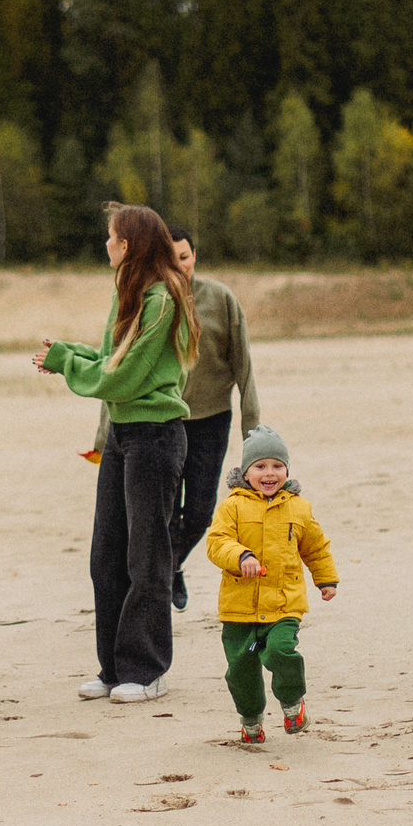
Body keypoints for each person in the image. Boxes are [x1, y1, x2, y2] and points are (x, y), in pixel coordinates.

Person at [36, 204, 198, 704]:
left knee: (146, 557)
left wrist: (69, 367)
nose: (105, 244)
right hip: (122, 435)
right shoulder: (128, 291)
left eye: (110, 237)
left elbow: (124, 377)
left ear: (126, 245)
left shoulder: (164, 298)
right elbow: (112, 358)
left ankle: (146, 671)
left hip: (155, 435)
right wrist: (67, 353)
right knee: (105, 556)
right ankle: (113, 668)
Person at [86, 223, 259, 611]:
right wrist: (103, 434)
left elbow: (244, 365)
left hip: (211, 420)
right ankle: (160, 579)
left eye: (185, 257)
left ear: (195, 256)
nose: (179, 266)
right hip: (162, 422)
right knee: (159, 515)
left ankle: (170, 565)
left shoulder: (220, 299)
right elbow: (117, 370)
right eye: (171, 258)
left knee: (198, 514)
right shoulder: (150, 301)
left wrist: (252, 427)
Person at [202, 426, 338, 746]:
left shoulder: (298, 507)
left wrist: (326, 579)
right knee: (241, 669)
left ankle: (292, 702)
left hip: (282, 603)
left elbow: (315, 547)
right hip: (240, 608)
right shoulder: (232, 506)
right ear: (245, 472)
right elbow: (217, 542)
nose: (269, 473)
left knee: (280, 651)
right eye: (260, 466)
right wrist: (241, 556)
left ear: (287, 470)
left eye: (277, 465)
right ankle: (250, 719)